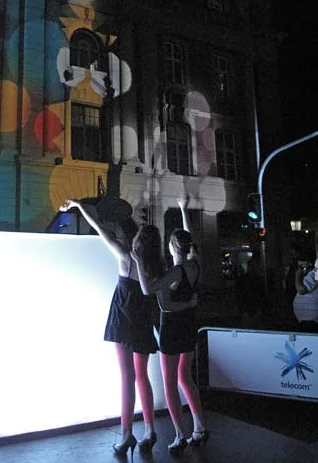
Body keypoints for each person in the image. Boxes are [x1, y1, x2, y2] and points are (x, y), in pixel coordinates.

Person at [60, 199, 158, 456]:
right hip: (142, 321)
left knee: (127, 377)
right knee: (142, 376)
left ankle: (126, 435)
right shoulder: (155, 268)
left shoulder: (126, 259)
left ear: (137, 242)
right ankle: (149, 430)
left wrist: (80, 206)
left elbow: (100, 229)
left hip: (123, 320)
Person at [131, 195, 208, 453]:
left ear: (173, 248)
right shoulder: (196, 264)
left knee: (170, 383)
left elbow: (148, 290)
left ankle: (179, 435)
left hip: (172, 329)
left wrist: (138, 260)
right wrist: (184, 210)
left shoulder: (175, 272)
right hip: (190, 327)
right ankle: (199, 427)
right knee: (187, 377)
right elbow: (190, 237)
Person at [293, 256, 318, 332]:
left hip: (311, 320)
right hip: (308, 320)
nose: (300, 269)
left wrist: (297, 275)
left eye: (301, 266)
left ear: (310, 264)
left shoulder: (313, 274)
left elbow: (301, 290)